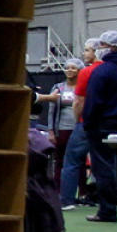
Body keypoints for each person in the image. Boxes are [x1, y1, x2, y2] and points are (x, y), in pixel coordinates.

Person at [76, 31, 117, 222]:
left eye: (100, 46)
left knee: (103, 167)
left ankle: (107, 210)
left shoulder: (100, 71)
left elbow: (91, 101)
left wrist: (87, 123)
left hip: (104, 125)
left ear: (110, 47)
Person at [41, 58, 84, 208]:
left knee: (80, 161)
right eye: (67, 68)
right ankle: (60, 191)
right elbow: (51, 111)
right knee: (61, 161)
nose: (70, 71)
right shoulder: (58, 88)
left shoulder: (83, 87)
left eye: (73, 68)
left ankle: (82, 194)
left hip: (79, 128)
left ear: (79, 71)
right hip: (62, 129)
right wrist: (51, 131)